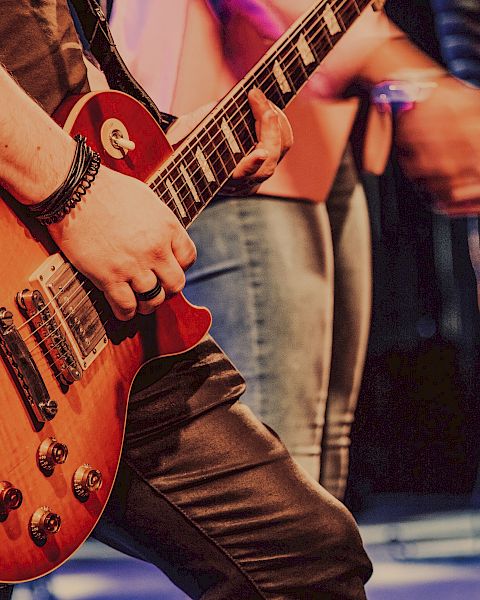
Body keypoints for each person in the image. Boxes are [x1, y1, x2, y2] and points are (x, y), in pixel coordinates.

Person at [0, 1, 374, 600]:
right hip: (47, 239)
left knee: (306, 557)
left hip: (75, 302)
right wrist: (74, 193)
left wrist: (154, 148)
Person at [109, 0, 480, 500]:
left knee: (319, 464)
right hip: (226, 116)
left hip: (321, 116)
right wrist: (402, 71)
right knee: (279, 468)